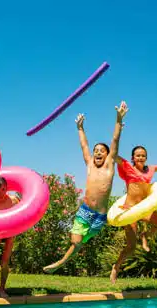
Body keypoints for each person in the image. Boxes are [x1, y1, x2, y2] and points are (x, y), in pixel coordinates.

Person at [42, 100, 128, 274]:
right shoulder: (90, 164)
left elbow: (115, 139)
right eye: (96, 150)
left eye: (101, 151)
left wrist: (118, 119)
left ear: (108, 155)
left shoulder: (109, 165)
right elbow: (84, 146)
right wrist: (80, 128)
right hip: (85, 211)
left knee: (79, 243)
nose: (97, 152)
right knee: (76, 240)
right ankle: (60, 263)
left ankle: (61, 263)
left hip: (100, 217)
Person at [110, 136, 157, 283]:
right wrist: (118, 127)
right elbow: (114, 155)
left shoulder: (150, 169)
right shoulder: (127, 167)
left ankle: (145, 235)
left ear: (146, 157)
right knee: (130, 247)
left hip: (143, 208)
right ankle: (116, 268)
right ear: (133, 158)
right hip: (129, 210)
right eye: (138, 155)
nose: (141, 157)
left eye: (143, 155)